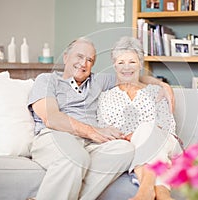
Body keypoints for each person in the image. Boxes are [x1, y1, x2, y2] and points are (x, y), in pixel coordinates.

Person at [27, 37, 175, 200]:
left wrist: (162, 85)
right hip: (56, 136)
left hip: (90, 144)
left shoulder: (97, 81)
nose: (84, 63)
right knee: (76, 157)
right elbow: (52, 118)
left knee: (125, 150)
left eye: (89, 60)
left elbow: (130, 75)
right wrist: (92, 131)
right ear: (66, 57)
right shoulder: (47, 80)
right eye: (79, 56)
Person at [97, 36, 182, 200]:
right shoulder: (105, 97)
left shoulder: (157, 92)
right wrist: (129, 138)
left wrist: (138, 133)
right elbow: (105, 131)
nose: (126, 67)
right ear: (114, 65)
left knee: (146, 129)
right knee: (143, 136)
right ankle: (163, 193)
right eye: (121, 62)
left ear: (141, 64)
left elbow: (168, 127)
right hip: (130, 147)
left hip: (167, 143)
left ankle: (145, 190)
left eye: (132, 62)